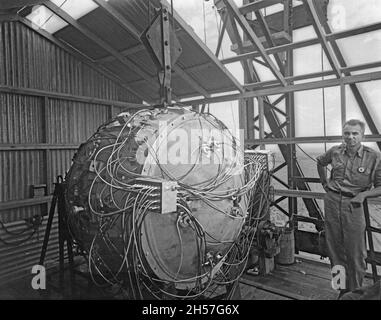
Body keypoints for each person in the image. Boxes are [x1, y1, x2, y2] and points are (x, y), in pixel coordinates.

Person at [316, 119, 381, 297]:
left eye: (355, 133)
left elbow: (380, 186)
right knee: (334, 250)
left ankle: (355, 293)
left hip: (354, 206)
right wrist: (324, 183)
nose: (350, 137)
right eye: (347, 133)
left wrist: (363, 195)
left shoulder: (373, 156)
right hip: (332, 202)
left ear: (363, 135)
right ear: (342, 134)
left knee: (355, 253)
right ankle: (340, 289)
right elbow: (320, 162)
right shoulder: (335, 151)